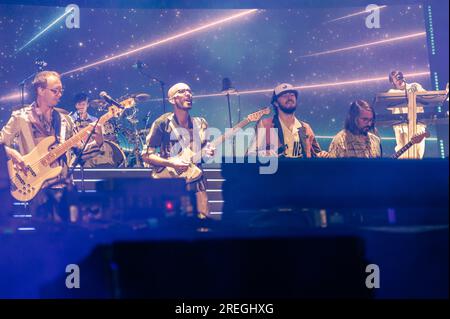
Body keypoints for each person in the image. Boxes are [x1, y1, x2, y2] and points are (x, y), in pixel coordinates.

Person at [0, 71, 102, 222]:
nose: (59, 94)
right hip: (35, 188)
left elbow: (81, 152)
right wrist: (11, 153)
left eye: (61, 91)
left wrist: (98, 140)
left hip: (64, 189)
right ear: (40, 90)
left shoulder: (65, 120)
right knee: (43, 239)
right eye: (55, 90)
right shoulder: (20, 117)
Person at [141, 83, 214, 218]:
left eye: (189, 91)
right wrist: (172, 164)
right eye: (182, 91)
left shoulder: (201, 123)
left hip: (197, 180)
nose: (188, 94)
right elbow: (146, 155)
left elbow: (204, 152)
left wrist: (208, 151)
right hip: (171, 181)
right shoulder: (162, 123)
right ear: (172, 100)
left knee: (204, 222)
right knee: (172, 225)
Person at [247, 83, 329, 158]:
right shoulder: (265, 125)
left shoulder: (306, 128)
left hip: (302, 172)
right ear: (275, 103)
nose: (289, 97)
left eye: (292, 95)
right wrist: (265, 154)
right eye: (284, 95)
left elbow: (316, 155)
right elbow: (250, 155)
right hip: (276, 173)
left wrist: (321, 155)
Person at [387, 70, 427, 158]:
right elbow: (387, 105)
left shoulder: (415, 86)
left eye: (399, 76)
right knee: (403, 155)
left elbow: (427, 97)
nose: (398, 79)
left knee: (418, 154)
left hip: (418, 126)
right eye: (395, 78)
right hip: (401, 127)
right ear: (392, 81)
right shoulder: (391, 92)